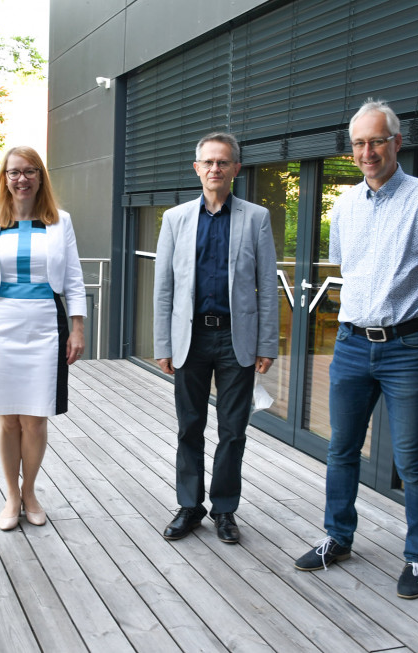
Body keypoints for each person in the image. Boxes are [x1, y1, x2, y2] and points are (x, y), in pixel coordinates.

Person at [294, 99, 418, 599]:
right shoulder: (344, 206)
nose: (367, 151)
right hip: (351, 345)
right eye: (358, 143)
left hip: (408, 349)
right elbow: (349, 271)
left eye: (376, 141)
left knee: (412, 459)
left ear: (397, 142)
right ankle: (337, 538)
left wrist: (416, 315)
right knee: (341, 450)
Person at [153, 132, 279, 544]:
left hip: (235, 339)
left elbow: (267, 284)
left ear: (235, 169)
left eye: (222, 162)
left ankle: (225, 509)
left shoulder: (256, 218)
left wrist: (266, 343)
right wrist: (163, 344)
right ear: (197, 168)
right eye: (208, 162)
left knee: (233, 431)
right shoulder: (174, 220)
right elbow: (164, 288)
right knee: (189, 426)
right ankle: (190, 506)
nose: (214, 169)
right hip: (189, 339)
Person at [0, 146, 86, 531]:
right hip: (1, 322)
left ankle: (31, 491)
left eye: (30, 172)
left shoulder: (60, 222)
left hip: (45, 325)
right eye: (14, 172)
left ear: (41, 177)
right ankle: (11, 495)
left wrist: (78, 328)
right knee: (7, 420)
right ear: (4, 178)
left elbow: (73, 278)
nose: (22, 179)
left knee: (35, 419)